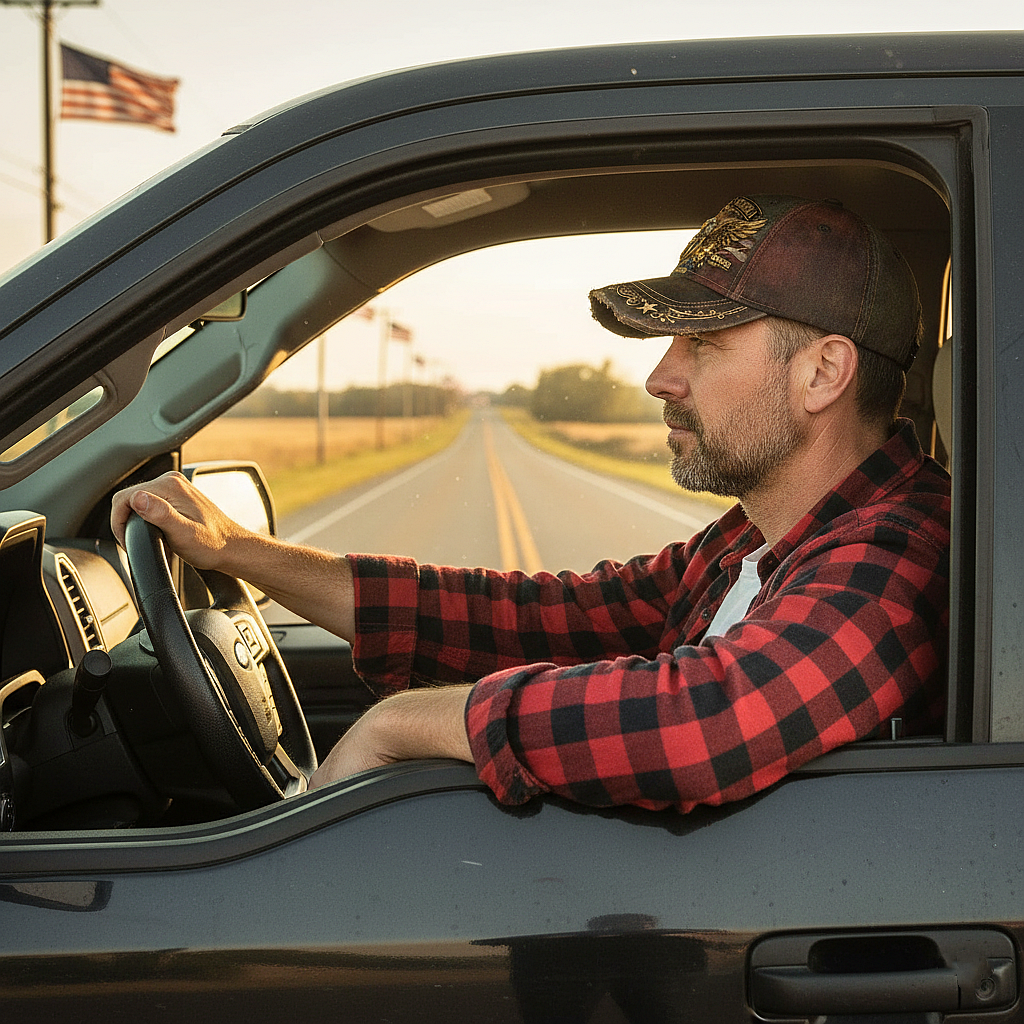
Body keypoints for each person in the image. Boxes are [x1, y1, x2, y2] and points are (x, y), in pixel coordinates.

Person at [110, 195, 950, 814]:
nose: (660, 375)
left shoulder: (900, 549)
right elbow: (549, 618)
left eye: (705, 342)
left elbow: (706, 723)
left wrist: (404, 723)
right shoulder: (755, 542)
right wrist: (239, 551)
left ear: (823, 374)